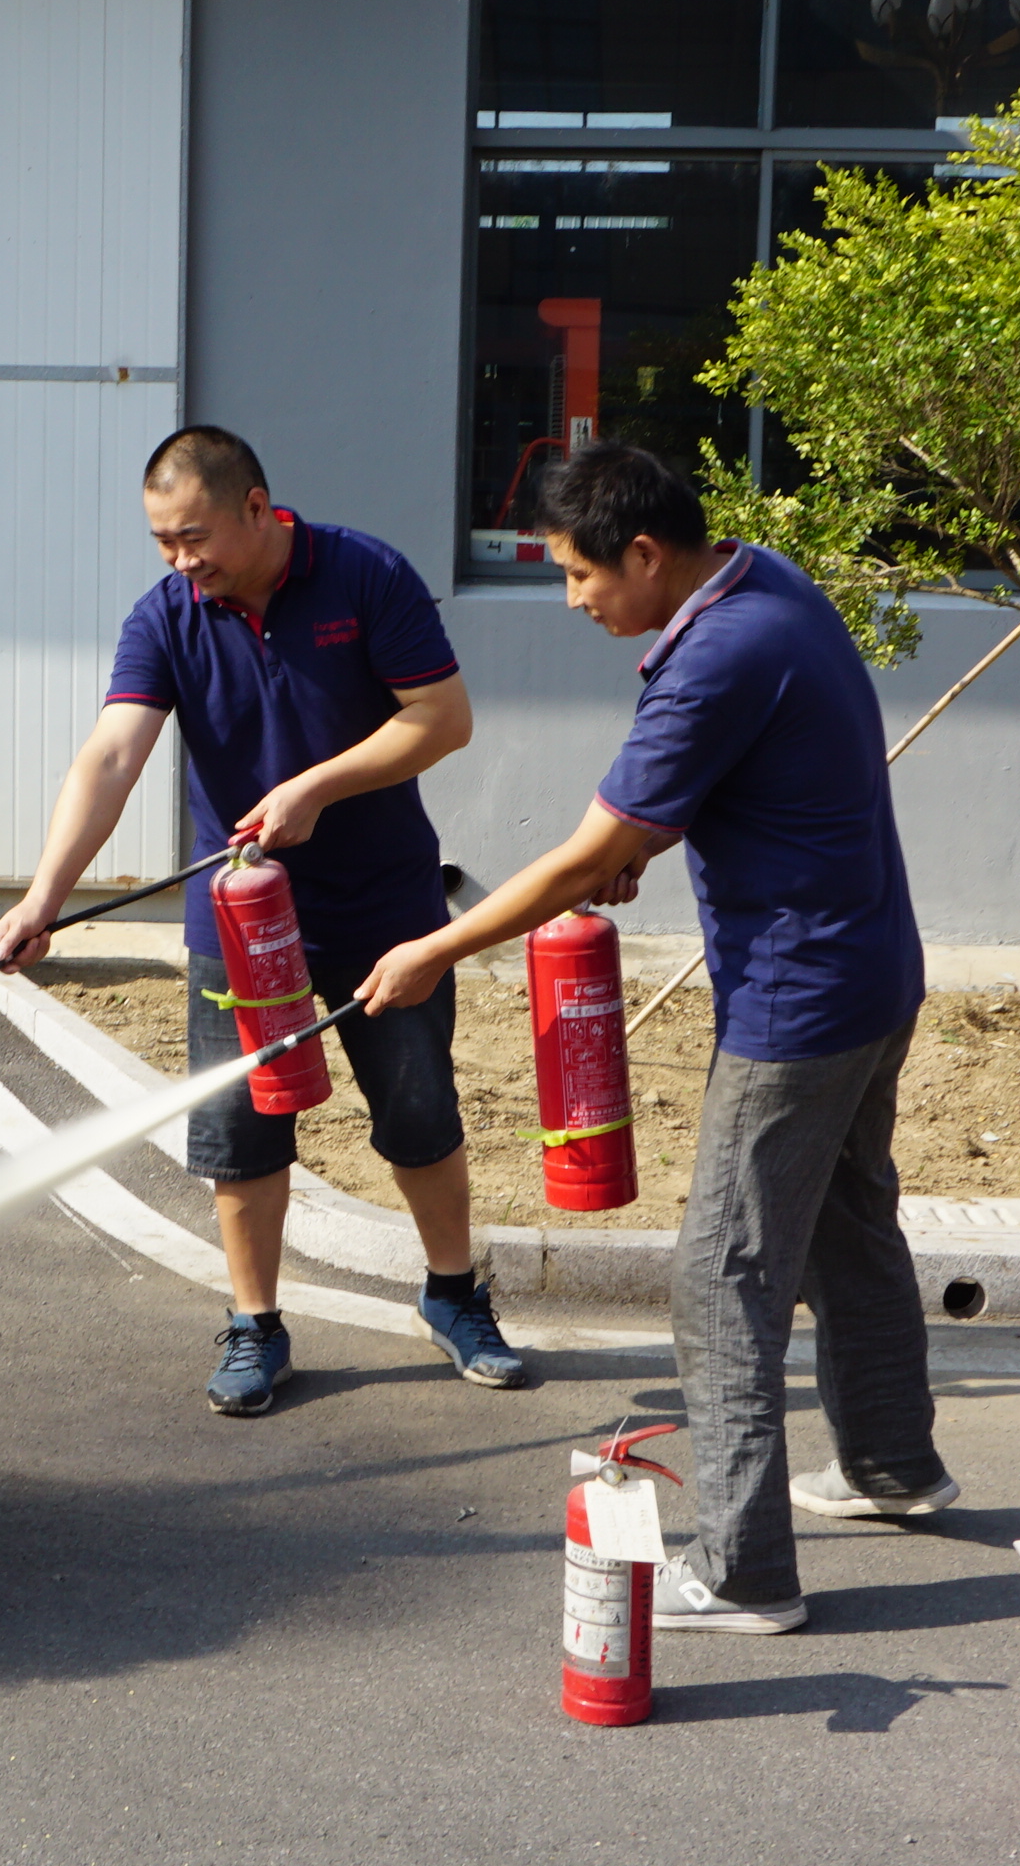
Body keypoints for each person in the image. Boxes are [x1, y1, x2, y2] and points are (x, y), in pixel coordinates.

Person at [356, 441, 945, 1633]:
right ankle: (891, 1467)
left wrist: (434, 948)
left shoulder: (716, 653)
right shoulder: (763, 581)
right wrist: (643, 843)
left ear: (644, 553)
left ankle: (741, 1573)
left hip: (798, 1004)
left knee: (722, 1280)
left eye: (579, 575)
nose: (572, 600)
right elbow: (715, 793)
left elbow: (585, 850)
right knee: (846, 1224)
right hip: (874, 972)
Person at [0, 425, 528, 1417]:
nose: (179, 560)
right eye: (160, 541)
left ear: (257, 507)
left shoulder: (365, 577)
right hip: (238, 928)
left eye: (193, 536)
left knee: (418, 1114)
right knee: (240, 1133)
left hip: (385, 914)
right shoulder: (165, 617)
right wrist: (42, 897)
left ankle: (454, 1297)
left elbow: (440, 718)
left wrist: (316, 788)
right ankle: (255, 1324)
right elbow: (110, 755)